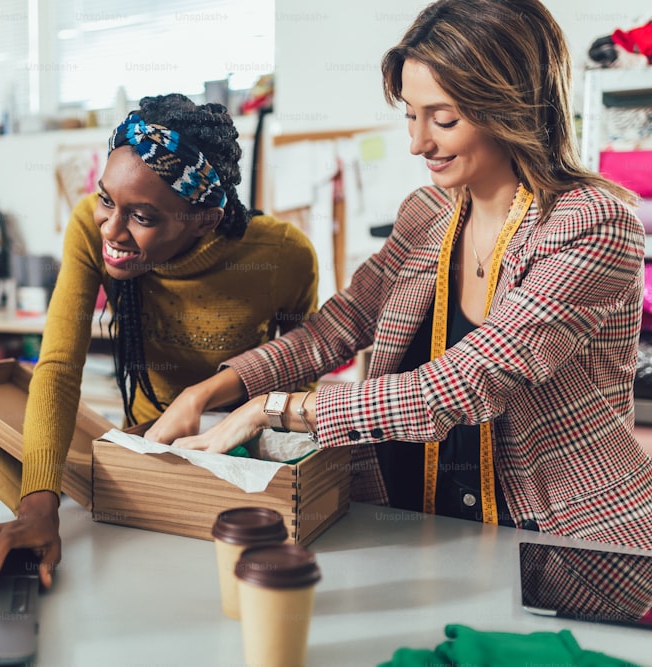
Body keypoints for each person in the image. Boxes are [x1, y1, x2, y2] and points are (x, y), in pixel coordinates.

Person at [147, 0, 652, 550]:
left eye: (444, 119)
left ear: (514, 107)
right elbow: (331, 332)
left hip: (558, 542)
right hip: (417, 524)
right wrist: (205, 393)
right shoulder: (427, 215)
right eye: (411, 115)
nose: (418, 143)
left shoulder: (593, 225)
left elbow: (462, 385)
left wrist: (273, 410)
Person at [0, 93, 319, 588]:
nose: (112, 231)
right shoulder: (90, 226)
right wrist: (37, 506)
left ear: (204, 219)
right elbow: (57, 367)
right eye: (106, 199)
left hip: (241, 474)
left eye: (143, 217)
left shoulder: (282, 254)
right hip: (143, 467)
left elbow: (298, 396)